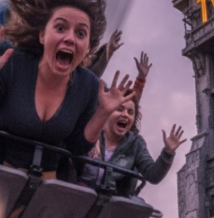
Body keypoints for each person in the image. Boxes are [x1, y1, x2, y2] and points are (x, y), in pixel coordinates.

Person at [0, 0, 133, 178]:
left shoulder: (88, 85)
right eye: (61, 28)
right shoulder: (12, 63)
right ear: (42, 35)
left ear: (88, 46)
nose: (70, 38)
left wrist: (103, 113)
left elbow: (77, 147)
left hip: (46, 186)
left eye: (80, 33)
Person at [79, 52, 185, 195]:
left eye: (130, 112)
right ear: (108, 110)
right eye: (119, 109)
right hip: (77, 194)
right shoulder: (92, 129)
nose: (125, 115)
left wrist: (168, 153)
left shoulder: (135, 144)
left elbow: (153, 175)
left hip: (111, 201)